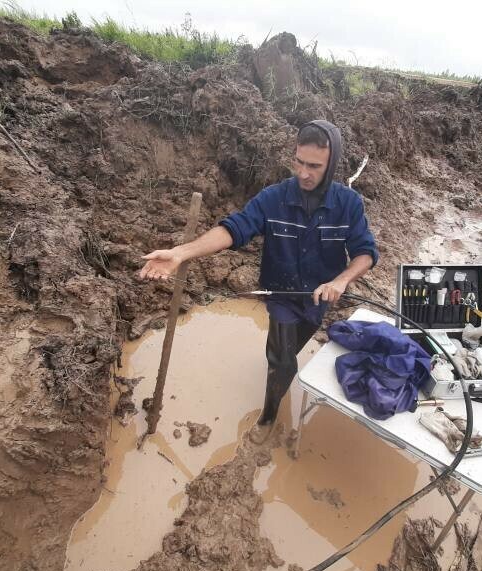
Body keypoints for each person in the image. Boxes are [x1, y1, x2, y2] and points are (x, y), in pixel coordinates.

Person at [139, 120, 379, 443]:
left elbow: (365, 253)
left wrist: (342, 280)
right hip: (280, 294)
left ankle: (280, 369)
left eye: (314, 166)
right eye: (299, 162)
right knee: (280, 359)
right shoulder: (274, 198)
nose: (304, 173)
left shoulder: (349, 205)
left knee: (289, 353)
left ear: (331, 164)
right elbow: (232, 229)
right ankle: (268, 417)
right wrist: (182, 253)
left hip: (319, 300)